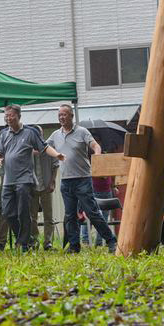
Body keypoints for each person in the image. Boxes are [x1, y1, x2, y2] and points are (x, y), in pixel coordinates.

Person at [48, 104, 117, 253]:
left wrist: (97, 156)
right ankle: (74, 246)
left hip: (83, 180)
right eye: (59, 115)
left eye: (64, 114)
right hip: (66, 181)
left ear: (71, 116)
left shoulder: (81, 131)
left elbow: (95, 146)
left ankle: (111, 241)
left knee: (92, 212)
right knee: (70, 215)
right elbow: (43, 148)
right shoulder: (55, 135)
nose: (61, 117)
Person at [0, 104, 63, 251]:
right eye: (6, 116)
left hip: (24, 180)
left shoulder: (30, 132)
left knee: (23, 212)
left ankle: (23, 244)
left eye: (11, 115)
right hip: (8, 180)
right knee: (7, 212)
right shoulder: (3, 134)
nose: (8, 118)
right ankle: (28, 238)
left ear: (19, 116)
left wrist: (57, 154)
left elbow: (44, 147)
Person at [30, 127, 60, 250]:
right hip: (31, 187)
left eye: (39, 133)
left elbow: (55, 165)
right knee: (32, 217)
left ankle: (48, 242)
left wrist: (52, 182)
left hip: (46, 186)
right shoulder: (27, 149)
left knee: (49, 216)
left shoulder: (48, 147)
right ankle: (34, 241)